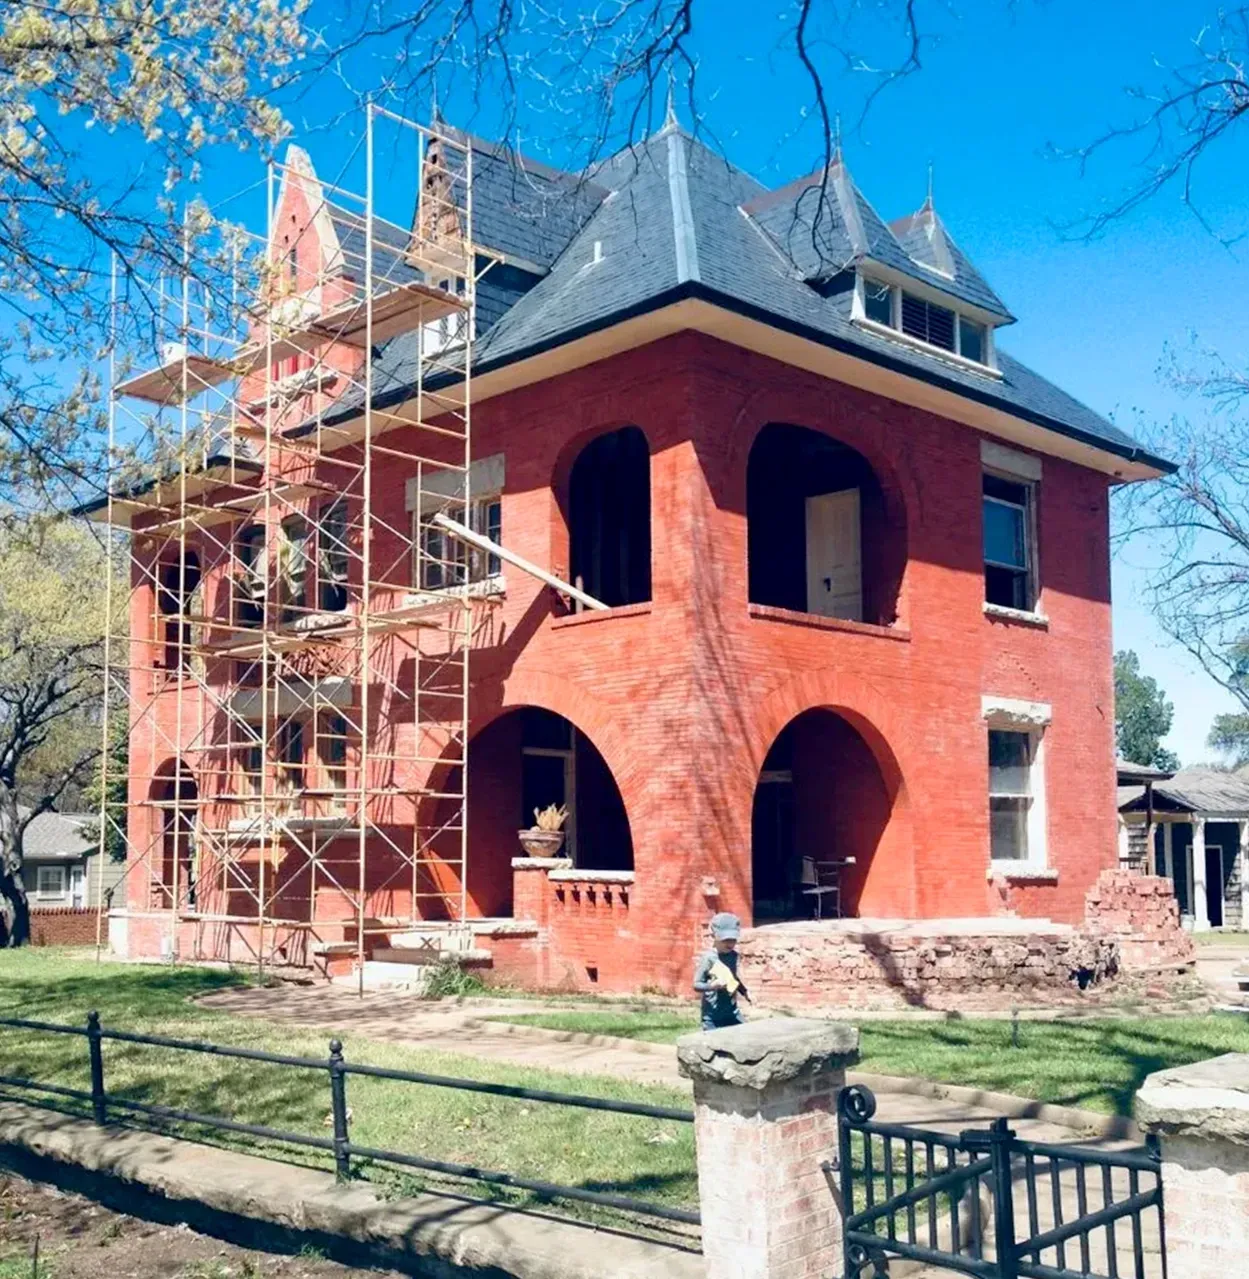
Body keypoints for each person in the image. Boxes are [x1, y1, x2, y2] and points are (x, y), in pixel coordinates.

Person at [693, 912, 750, 1030]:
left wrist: (745, 992)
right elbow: (696, 984)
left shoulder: (733, 956)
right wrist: (712, 986)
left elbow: (733, 978)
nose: (730, 944)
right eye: (725, 940)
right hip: (712, 1016)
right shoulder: (708, 958)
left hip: (731, 1012)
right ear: (714, 936)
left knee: (747, 1035)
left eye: (733, 940)